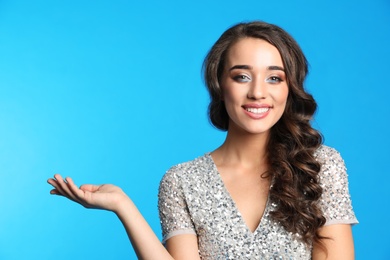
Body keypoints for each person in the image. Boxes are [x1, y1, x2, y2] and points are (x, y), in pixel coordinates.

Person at [48, 21, 358, 259]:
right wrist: (122, 205)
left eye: (274, 77)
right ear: (219, 84)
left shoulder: (320, 166)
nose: (258, 92)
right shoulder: (182, 181)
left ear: (290, 87)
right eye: (242, 76)